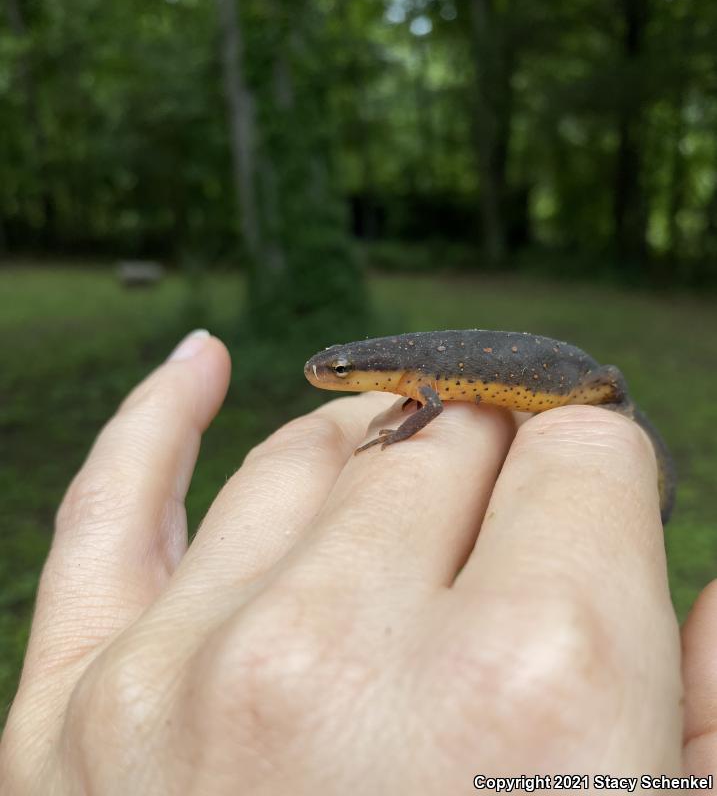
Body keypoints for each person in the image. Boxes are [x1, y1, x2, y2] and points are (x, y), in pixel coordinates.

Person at [1, 329, 715, 793]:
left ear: (387, 369)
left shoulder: (425, 383)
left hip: (583, 381)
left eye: (341, 374)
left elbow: (428, 409)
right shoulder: (418, 374)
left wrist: (400, 437)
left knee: (606, 387)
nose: (333, 380)